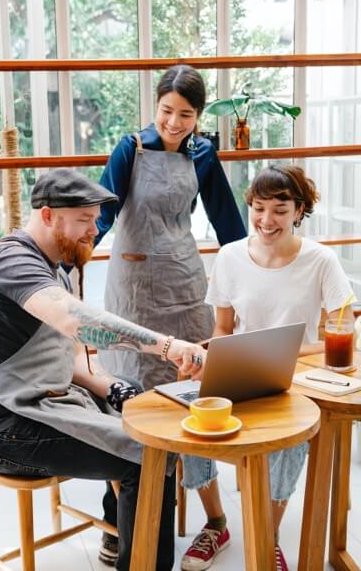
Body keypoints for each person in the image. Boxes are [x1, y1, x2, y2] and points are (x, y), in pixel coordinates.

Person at [0, 167, 207, 571]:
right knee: (151, 454)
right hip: (0, 431)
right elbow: (78, 322)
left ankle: (119, 535)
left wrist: (112, 388)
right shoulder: (12, 262)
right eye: (84, 220)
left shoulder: (52, 263)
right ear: (47, 215)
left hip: (33, 401)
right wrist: (167, 346)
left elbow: (70, 354)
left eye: (95, 220)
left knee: (129, 388)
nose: (94, 230)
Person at [95, 64, 246, 564]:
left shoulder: (203, 154)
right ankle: (118, 516)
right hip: (134, 293)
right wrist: (65, 260)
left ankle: (210, 517)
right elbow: (102, 213)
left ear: (198, 116)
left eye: (185, 115)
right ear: (155, 105)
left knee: (192, 396)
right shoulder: (130, 148)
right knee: (128, 399)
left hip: (183, 286)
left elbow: (228, 223)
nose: (174, 123)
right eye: (166, 111)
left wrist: (249, 276)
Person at [180, 164, 354, 571]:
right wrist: (212, 360)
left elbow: (344, 329)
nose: (266, 220)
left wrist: (292, 353)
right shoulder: (230, 256)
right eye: (259, 208)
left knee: (291, 442)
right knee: (188, 416)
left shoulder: (321, 260)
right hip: (237, 376)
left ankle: (267, 534)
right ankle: (216, 524)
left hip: (294, 382)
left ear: (299, 211)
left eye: (279, 209)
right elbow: (222, 329)